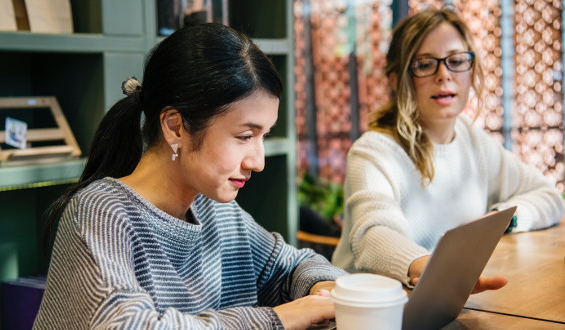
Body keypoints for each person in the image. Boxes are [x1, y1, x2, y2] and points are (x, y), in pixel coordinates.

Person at [34, 23, 347, 329]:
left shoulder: (217, 212)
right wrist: (279, 318)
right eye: (244, 137)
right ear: (175, 127)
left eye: (263, 136)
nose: (258, 161)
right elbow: (125, 324)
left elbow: (293, 266)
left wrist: (322, 287)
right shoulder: (100, 213)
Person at [331, 8, 564, 292]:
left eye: (456, 61)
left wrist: (502, 219)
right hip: (376, 310)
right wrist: (439, 271)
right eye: (425, 64)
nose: (444, 75)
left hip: (447, 300)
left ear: (471, 70)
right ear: (397, 79)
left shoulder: (471, 139)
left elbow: (550, 197)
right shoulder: (373, 152)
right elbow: (373, 236)